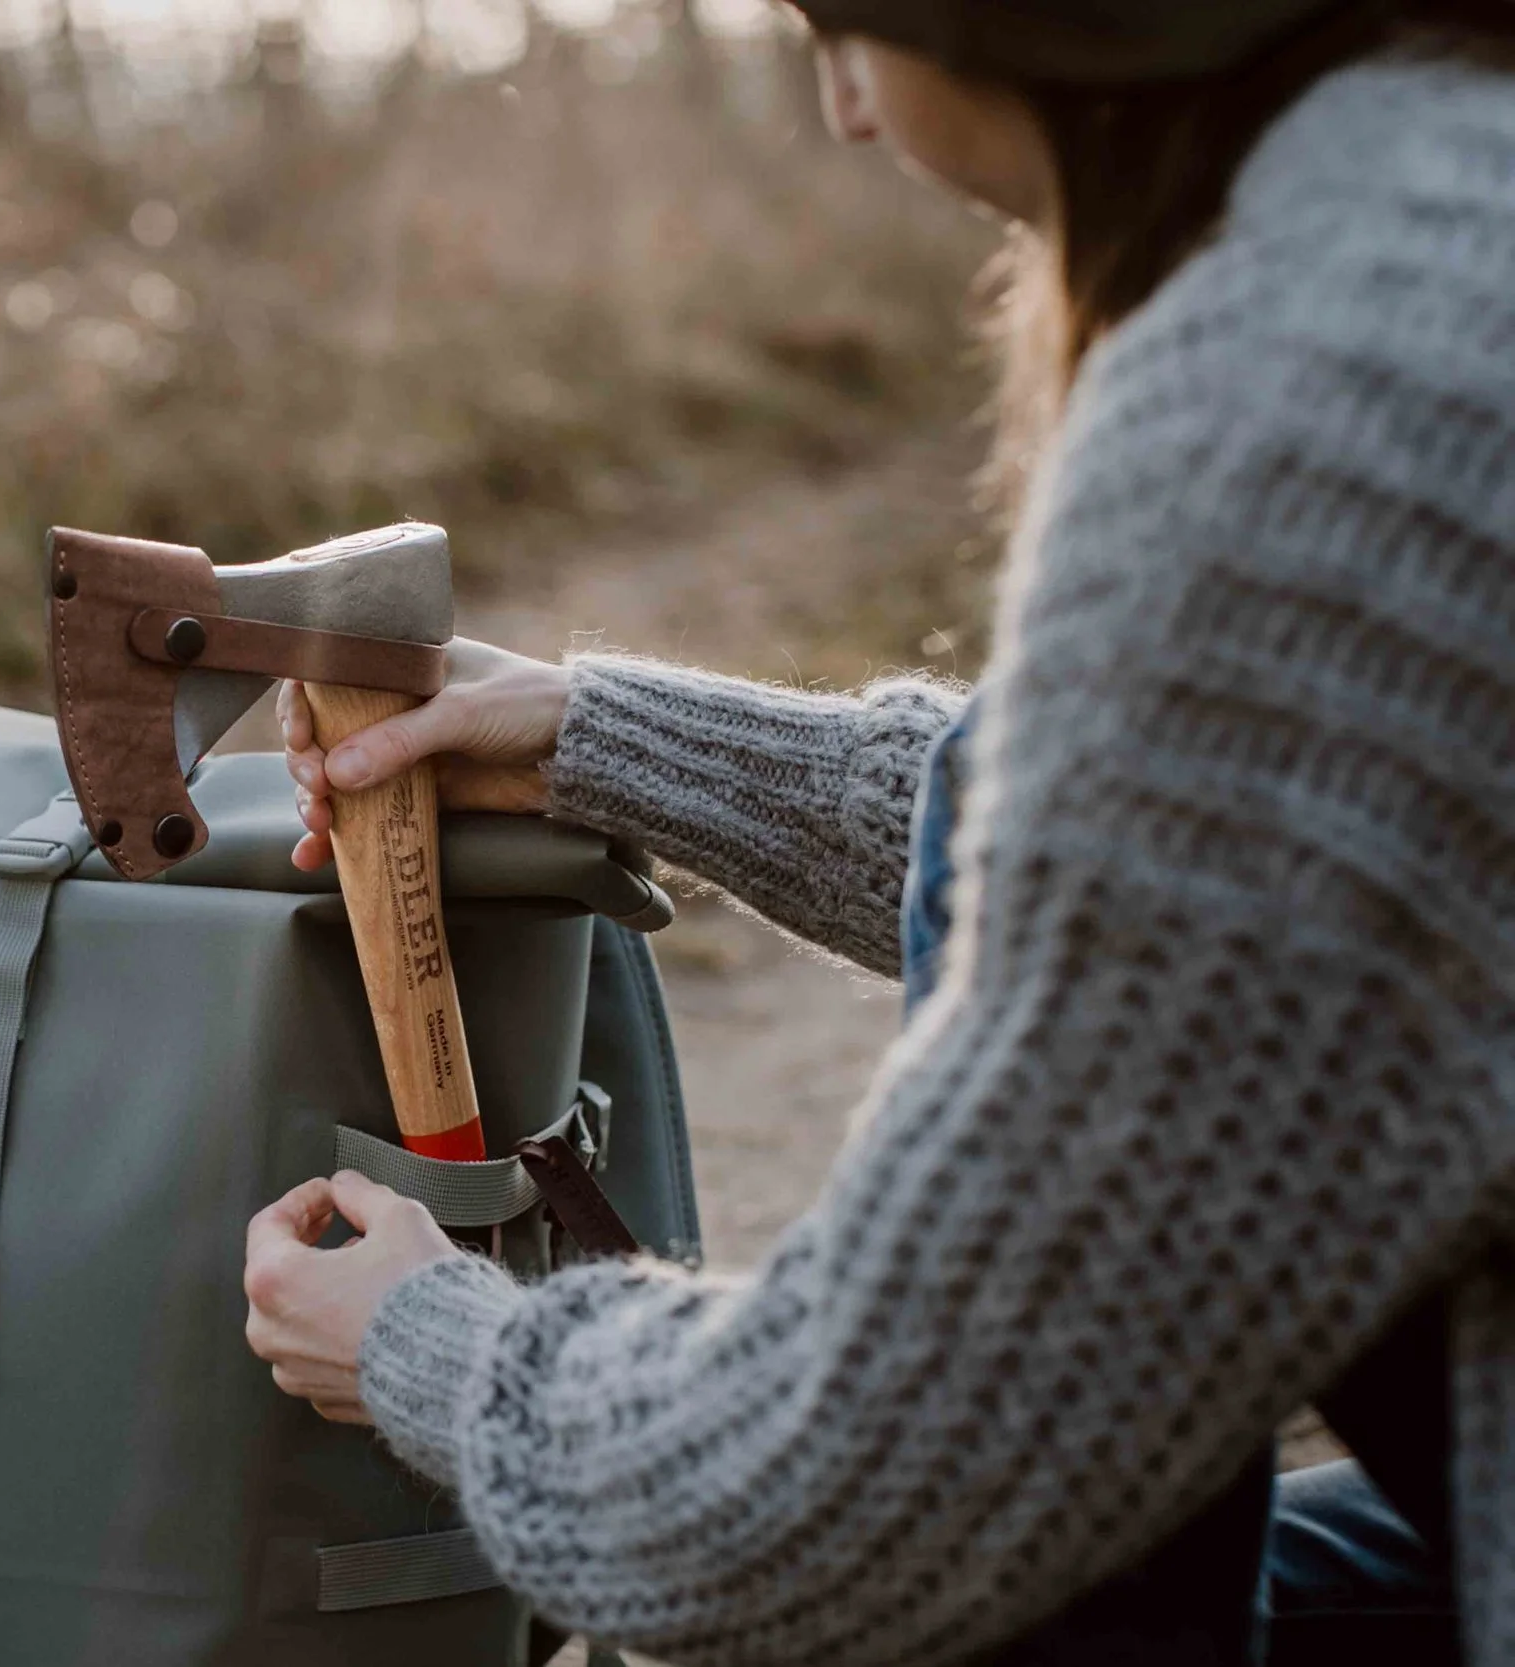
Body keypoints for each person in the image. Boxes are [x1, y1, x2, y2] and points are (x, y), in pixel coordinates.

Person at [239, 3, 1515, 1662]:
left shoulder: (1309, 405)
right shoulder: (1445, 209)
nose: (845, 106)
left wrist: (432, 1345)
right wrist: (606, 739)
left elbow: (889, 1488)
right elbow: (1267, 870)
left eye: (840, 24)